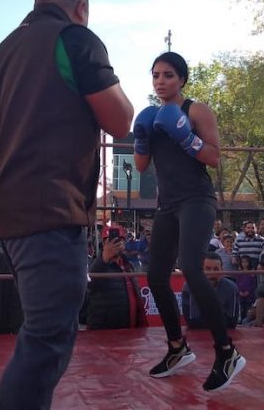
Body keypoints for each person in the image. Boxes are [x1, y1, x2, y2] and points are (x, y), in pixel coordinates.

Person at [0, 0, 133, 409]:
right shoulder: (76, 39)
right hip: (50, 204)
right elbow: (121, 121)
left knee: (43, 326)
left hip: (6, 204)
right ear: (81, 7)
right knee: (47, 334)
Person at [134, 51, 245, 392]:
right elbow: (140, 166)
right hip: (168, 205)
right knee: (156, 275)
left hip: (197, 199)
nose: (160, 81)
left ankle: (226, 352)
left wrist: (186, 137)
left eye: (168, 75)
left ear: (181, 79)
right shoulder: (152, 117)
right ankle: (177, 348)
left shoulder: (196, 111)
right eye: (156, 75)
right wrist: (141, 137)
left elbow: (214, 157)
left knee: (193, 269)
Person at [86, 226, 146, 330]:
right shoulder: (97, 264)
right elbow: (89, 284)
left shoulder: (127, 265)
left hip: (130, 330)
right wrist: (104, 259)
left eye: (120, 240)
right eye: (110, 241)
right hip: (105, 332)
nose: (116, 244)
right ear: (103, 244)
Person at [182, 252, 239, 329]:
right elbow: (192, 321)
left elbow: (232, 322)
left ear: (222, 270)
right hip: (198, 334)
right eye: (207, 269)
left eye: (216, 269)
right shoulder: (190, 287)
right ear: (201, 270)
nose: (212, 273)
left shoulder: (231, 288)